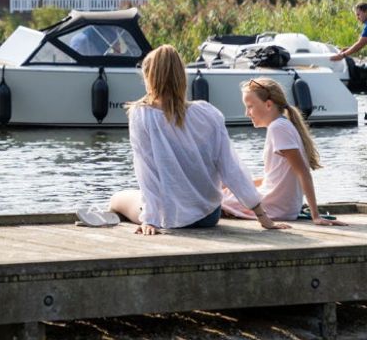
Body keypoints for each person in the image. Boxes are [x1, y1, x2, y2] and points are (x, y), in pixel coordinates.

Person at [108, 45, 288, 235]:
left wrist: (150, 220)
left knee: (116, 198)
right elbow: (231, 168)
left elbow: (147, 173)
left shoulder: (141, 114)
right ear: (181, 77)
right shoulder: (208, 113)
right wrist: (262, 216)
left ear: (149, 78)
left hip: (169, 217)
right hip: (209, 216)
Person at [221, 77, 347, 226]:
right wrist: (237, 185)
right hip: (279, 204)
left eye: (250, 106)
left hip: (276, 207)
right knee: (223, 189)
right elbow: (276, 177)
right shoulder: (280, 126)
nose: (247, 113)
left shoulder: (278, 128)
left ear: (268, 104)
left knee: (212, 198)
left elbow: (303, 172)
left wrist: (316, 215)